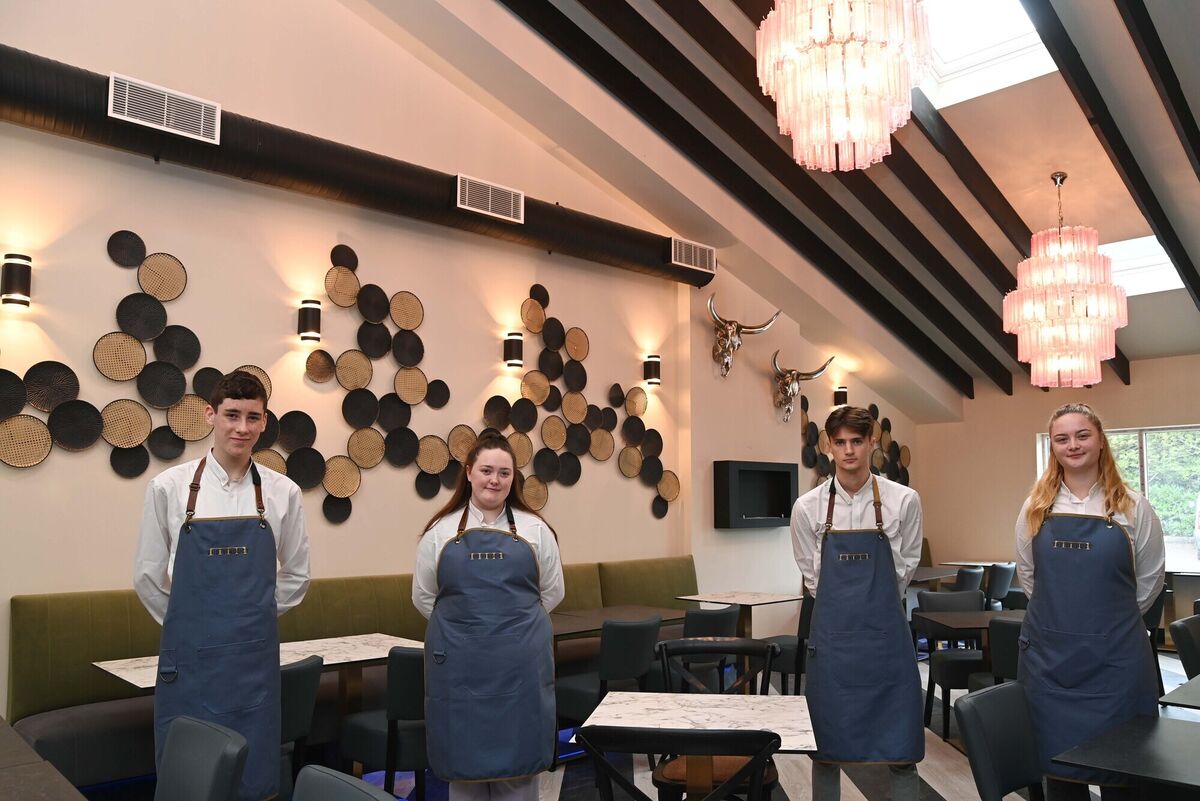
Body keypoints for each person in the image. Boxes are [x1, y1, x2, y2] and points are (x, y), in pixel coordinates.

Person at [133, 371, 310, 801]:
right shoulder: (169, 488)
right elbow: (147, 576)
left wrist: (251, 617)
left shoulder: (283, 492)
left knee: (253, 778)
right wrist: (188, 624)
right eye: (232, 415)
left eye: (253, 417)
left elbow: (297, 576)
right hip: (190, 660)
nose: (242, 428)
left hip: (254, 661)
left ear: (265, 422)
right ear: (211, 415)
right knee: (193, 778)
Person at [1016, 403, 1165, 801]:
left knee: (1125, 772)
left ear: (1100, 441)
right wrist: (1063, 622)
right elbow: (1029, 577)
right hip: (1051, 666)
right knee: (1061, 776)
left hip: (1117, 665)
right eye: (1062, 438)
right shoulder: (1035, 508)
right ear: (1053, 448)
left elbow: (1150, 580)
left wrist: (1108, 626)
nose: (1073, 445)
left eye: (1082, 435)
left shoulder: (1134, 507)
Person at [413, 433, 564, 801]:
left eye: (504, 473)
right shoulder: (440, 532)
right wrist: (469, 630)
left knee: (520, 769)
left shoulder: (536, 530)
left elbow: (552, 593)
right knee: (464, 773)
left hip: (520, 668)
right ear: (468, 473)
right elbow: (424, 597)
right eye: (486, 471)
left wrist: (509, 629)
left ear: (514, 479)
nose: (494, 480)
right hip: (460, 670)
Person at [791, 406, 924, 801]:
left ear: (871, 444)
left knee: (902, 751)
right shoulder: (807, 508)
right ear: (829, 446)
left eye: (857, 441)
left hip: (888, 647)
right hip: (832, 649)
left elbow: (906, 568)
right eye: (841, 442)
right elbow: (811, 578)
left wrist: (874, 604)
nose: (849, 450)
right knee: (824, 751)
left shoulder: (905, 501)